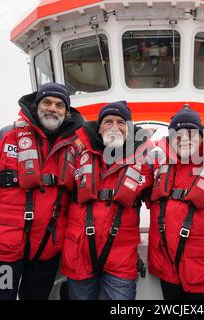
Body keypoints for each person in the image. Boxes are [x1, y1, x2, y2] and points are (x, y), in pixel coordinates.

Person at [0, 83, 84, 300]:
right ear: (36, 107)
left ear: (67, 112)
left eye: (59, 105)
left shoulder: (75, 148)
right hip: (3, 254)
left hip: (46, 253)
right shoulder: (6, 137)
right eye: (47, 102)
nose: (53, 108)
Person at [61, 101, 153, 300]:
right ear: (99, 127)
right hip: (79, 253)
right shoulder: (76, 154)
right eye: (108, 121)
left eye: (121, 122)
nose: (114, 127)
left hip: (121, 257)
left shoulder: (145, 163)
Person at [147, 106, 204, 300]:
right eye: (177, 134)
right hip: (167, 270)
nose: (184, 138)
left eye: (191, 133)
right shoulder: (158, 165)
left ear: (202, 137)